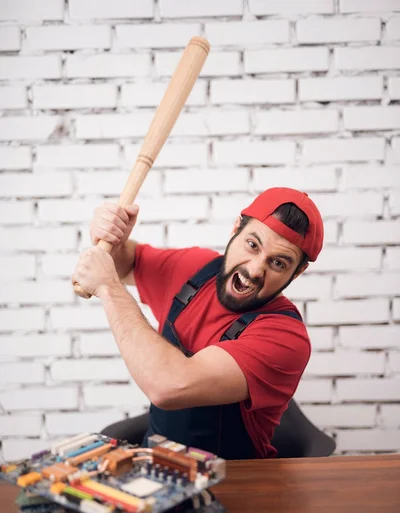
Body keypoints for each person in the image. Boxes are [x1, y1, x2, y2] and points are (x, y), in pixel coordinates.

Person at [73, 187, 324, 460]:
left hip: (234, 484)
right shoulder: (196, 271)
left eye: (277, 263)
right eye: (252, 245)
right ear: (236, 228)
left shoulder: (285, 337)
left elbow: (167, 386)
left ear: (297, 271)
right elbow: (127, 262)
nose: (254, 270)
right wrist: (113, 238)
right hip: (158, 469)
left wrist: (109, 287)